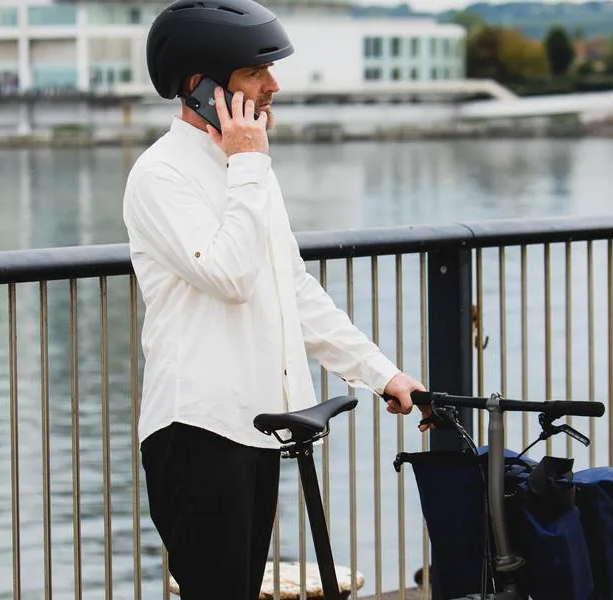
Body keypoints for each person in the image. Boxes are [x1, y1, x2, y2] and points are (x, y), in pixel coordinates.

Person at [121, 0, 429, 597]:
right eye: (255, 74)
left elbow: (292, 289)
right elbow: (230, 276)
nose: (273, 86)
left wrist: (384, 374)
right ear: (201, 86)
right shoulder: (162, 175)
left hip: (256, 428)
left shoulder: (247, 173)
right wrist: (249, 166)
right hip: (198, 429)